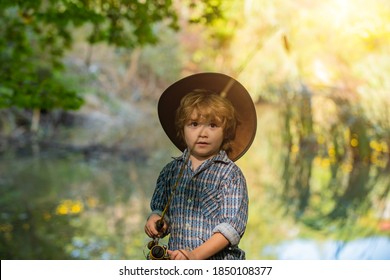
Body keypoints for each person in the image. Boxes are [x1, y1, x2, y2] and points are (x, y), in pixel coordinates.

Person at [144, 72, 257, 260]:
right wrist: (156, 220)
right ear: (182, 129)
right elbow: (161, 211)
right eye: (194, 124)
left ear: (225, 132)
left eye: (212, 125)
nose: (202, 133)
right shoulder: (170, 172)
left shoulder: (230, 175)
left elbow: (231, 228)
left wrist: (195, 256)